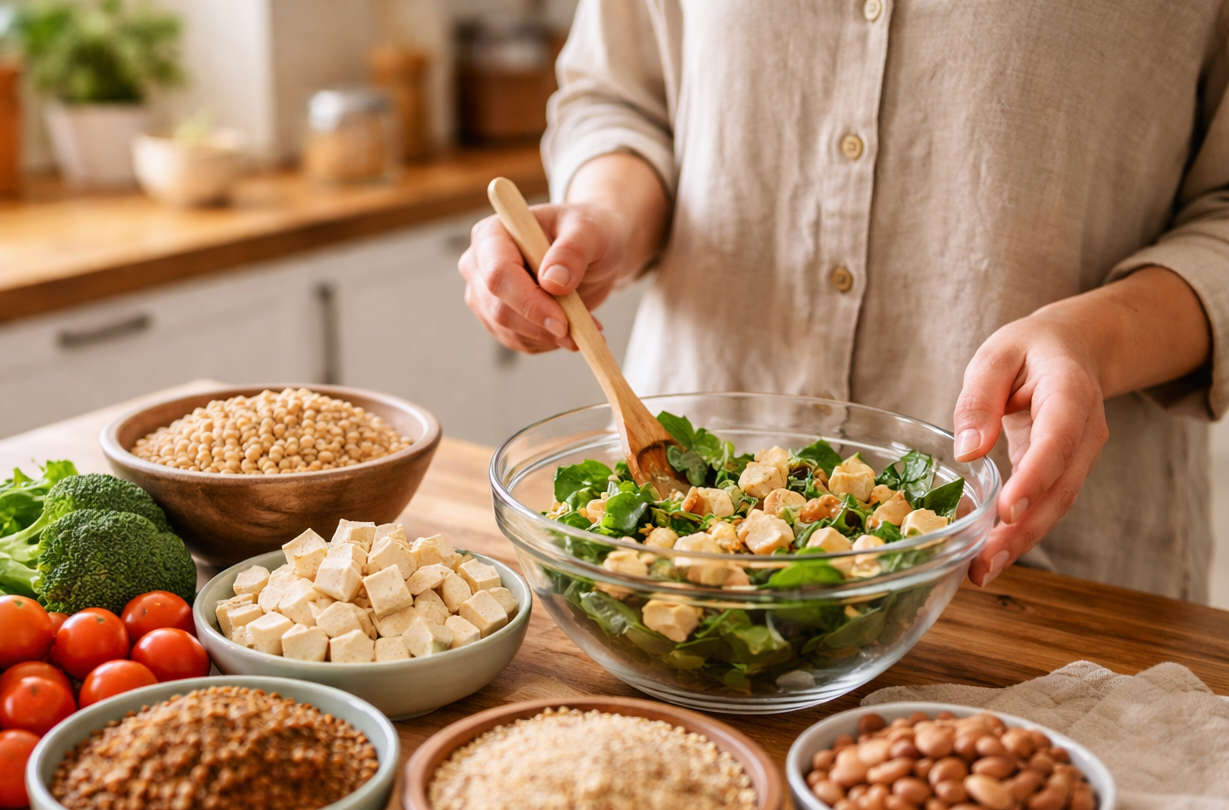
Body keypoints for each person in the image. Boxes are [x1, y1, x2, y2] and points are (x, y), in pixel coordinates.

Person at [458, 1, 1225, 601]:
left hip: (1043, 566)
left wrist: (1091, 337)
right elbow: (624, 98)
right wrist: (605, 219)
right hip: (670, 579)